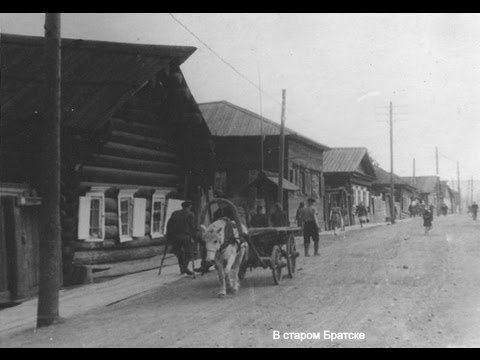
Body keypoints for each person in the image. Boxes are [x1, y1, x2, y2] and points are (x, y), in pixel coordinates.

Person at [166, 201, 195, 275]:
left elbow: (169, 225)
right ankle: (184, 267)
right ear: (190, 206)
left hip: (175, 237)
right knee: (188, 253)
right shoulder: (190, 214)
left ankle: (182, 268)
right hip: (185, 237)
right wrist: (193, 237)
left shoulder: (175, 213)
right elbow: (192, 227)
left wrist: (169, 236)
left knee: (179, 253)